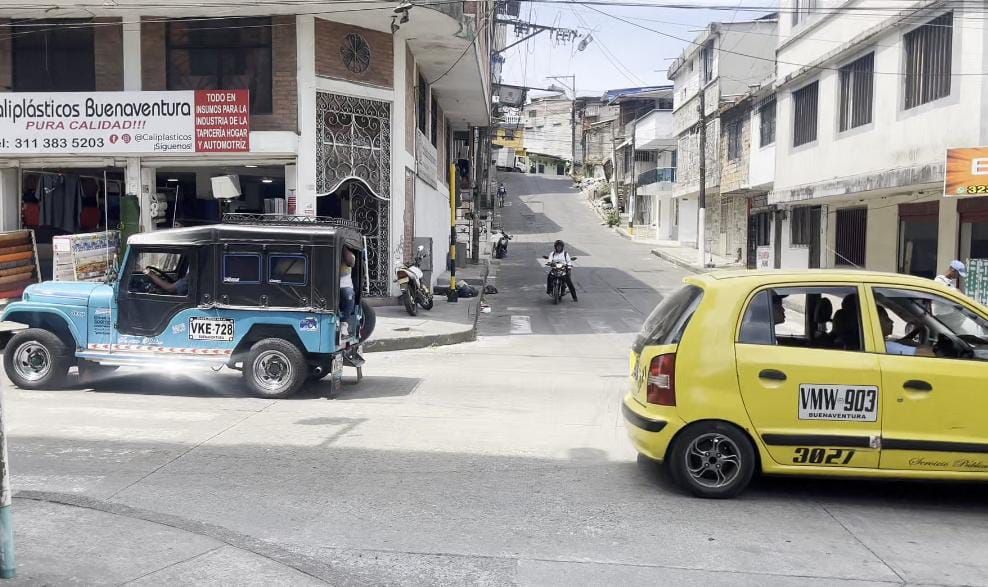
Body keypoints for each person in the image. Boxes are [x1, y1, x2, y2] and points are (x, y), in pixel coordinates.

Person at [339, 248, 357, 338]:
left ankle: (343, 325)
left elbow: (350, 262)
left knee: (348, 294)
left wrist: (343, 248)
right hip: (328, 284)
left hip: (344, 286)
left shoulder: (349, 254)